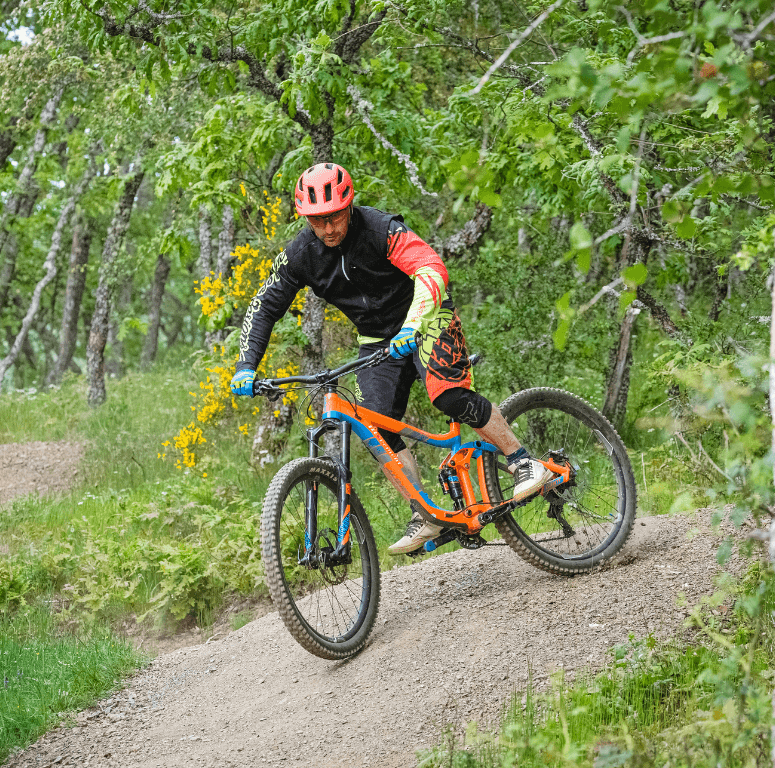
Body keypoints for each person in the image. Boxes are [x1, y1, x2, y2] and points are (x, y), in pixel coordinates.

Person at [230, 163, 552, 554]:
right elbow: (264, 305)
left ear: (349, 206)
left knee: (448, 396)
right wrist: (246, 366)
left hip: (428, 319)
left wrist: (412, 325)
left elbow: (431, 268)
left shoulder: (380, 229)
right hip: (377, 341)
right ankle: (425, 514)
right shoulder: (301, 253)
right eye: (317, 221)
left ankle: (522, 461)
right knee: (376, 426)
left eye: (334, 217)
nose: (328, 228)